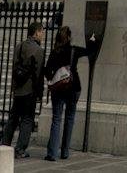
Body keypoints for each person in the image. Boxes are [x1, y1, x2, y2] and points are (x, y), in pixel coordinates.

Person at [0, 22, 45, 159]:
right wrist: (39, 93)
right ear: (36, 32)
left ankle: (5, 144)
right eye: (41, 32)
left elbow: (14, 68)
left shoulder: (19, 46)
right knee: (27, 119)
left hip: (18, 88)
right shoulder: (38, 50)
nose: (43, 34)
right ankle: (20, 149)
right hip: (29, 89)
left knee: (13, 117)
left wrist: (14, 87)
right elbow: (38, 74)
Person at [42, 25, 84, 161]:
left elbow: (47, 71)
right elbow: (90, 50)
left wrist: (53, 77)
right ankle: (65, 151)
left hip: (59, 88)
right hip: (74, 87)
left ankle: (52, 153)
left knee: (56, 119)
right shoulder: (74, 50)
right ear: (69, 37)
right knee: (70, 118)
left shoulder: (55, 52)